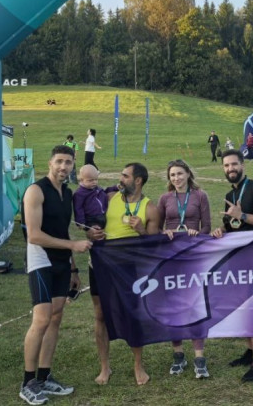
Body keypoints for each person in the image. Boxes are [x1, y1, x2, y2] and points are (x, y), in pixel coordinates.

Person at [19, 145, 92, 405]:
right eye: (59, 161)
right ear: (50, 162)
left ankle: (44, 376)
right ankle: (28, 382)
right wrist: (73, 245)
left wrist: (73, 267)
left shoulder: (67, 193)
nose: (63, 166)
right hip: (40, 259)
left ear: (73, 166)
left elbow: (62, 231)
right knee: (41, 320)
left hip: (62, 262)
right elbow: (34, 235)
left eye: (68, 162)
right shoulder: (36, 191)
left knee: (56, 318)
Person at [84, 162, 160, 386]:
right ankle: (104, 367)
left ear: (138, 180)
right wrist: (91, 233)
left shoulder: (150, 208)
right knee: (100, 315)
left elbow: (155, 246)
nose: (121, 179)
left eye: (125, 176)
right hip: (101, 265)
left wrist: (142, 230)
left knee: (132, 314)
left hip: (129, 269)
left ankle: (138, 365)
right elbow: (91, 225)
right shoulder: (109, 198)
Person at [218, 149, 253, 382]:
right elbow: (231, 225)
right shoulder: (229, 195)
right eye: (226, 165)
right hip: (237, 258)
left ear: (243, 165)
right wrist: (221, 230)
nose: (230, 169)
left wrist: (243, 216)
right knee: (242, 306)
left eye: (234, 164)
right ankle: (249, 351)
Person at [157, 159, 214, 378]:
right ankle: (178, 354)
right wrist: (164, 232)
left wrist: (197, 233)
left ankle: (200, 357)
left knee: (195, 305)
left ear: (188, 174)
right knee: (174, 306)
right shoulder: (165, 198)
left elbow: (207, 226)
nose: (176, 178)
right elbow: (157, 228)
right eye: (172, 175)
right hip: (172, 257)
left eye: (180, 174)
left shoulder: (200, 195)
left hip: (193, 256)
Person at [72, 165, 108, 230]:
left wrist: (114, 188)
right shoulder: (79, 193)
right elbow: (78, 208)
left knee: (105, 232)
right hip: (91, 219)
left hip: (102, 215)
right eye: (90, 180)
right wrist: (80, 222)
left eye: (96, 179)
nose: (94, 182)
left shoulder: (97, 189)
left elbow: (105, 193)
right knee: (96, 233)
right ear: (82, 180)